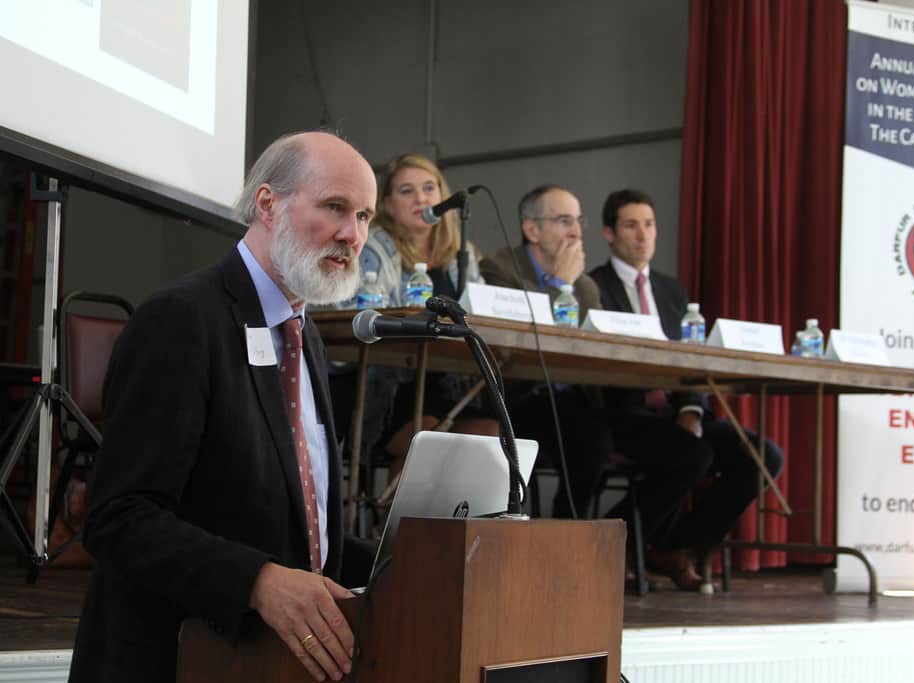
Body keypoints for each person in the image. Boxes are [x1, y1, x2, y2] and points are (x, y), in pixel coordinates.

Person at [69, 131, 375, 683]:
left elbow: (296, 526)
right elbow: (119, 518)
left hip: (267, 661)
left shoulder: (305, 334)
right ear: (267, 204)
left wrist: (409, 563)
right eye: (334, 207)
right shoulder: (183, 319)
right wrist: (259, 581)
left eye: (364, 216)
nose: (352, 234)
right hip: (173, 657)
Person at [480, 186, 715, 576]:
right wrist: (562, 287)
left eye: (577, 221)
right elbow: (520, 343)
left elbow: (595, 349)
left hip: (582, 399)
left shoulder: (585, 286)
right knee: (590, 440)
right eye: (563, 220)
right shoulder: (499, 269)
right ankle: (563, 548)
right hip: (522, 396)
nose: (575, 231)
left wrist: (572, 286)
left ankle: (602, 544)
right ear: (532, 230)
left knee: (688, 452)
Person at [589, 188, 785, 585]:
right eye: (631, 225)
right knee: (691, 456)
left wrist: (692, 409)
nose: (643, 235)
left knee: (761, 455)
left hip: (675, 410)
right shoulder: (593, 286)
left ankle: (673, 546)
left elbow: (692, 356)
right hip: (624, 410)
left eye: (649, 225)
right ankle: (613, 542)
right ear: (609, 233)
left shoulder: (671, 290)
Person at [334, 153, 497, 464]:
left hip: (448, 381)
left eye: (429, 188)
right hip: (391, 383)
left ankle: (460, 513)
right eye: (406, 191)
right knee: (429, 439)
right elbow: (371, 316)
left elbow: (479, 315)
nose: (421, 198)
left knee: (488, 431)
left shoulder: (463, 255)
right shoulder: (374, 247)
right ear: (387, 205)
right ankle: (405, 514)